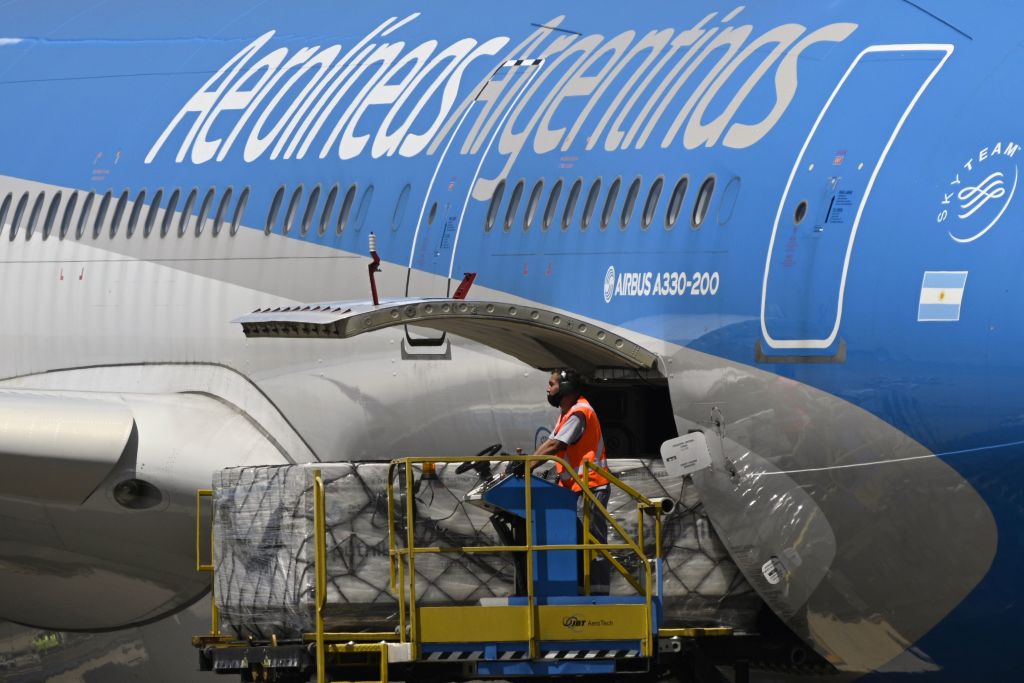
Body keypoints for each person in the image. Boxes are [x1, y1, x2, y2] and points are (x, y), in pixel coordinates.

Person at [534, 369, 611, 595]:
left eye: (552, 384)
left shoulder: (579, 413)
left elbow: (556, 445)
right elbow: (549, 443)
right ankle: (579, 591)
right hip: (578, 487)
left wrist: (527, 466)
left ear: (566, 387)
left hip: (591, 485)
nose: (548, 389)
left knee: (591, 543)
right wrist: (525, 463)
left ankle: (597, 595)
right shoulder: (566, 413)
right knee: (577, 542)